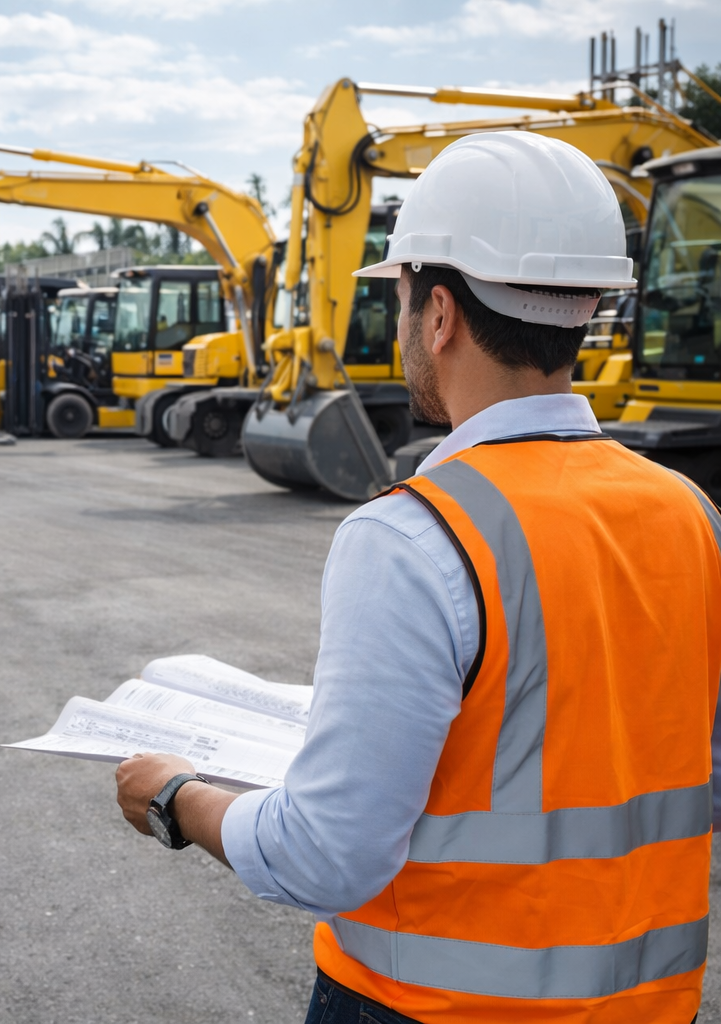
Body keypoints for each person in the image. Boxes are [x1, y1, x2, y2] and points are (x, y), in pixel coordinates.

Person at [114, 132, 721, 1023]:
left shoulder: (414, 536)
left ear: (436, 313)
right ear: (588, 303)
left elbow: (322, 858)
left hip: (431, 1006)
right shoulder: (688, 512)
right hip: (646, 1005)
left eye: (399, 298)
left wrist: (173, 794)